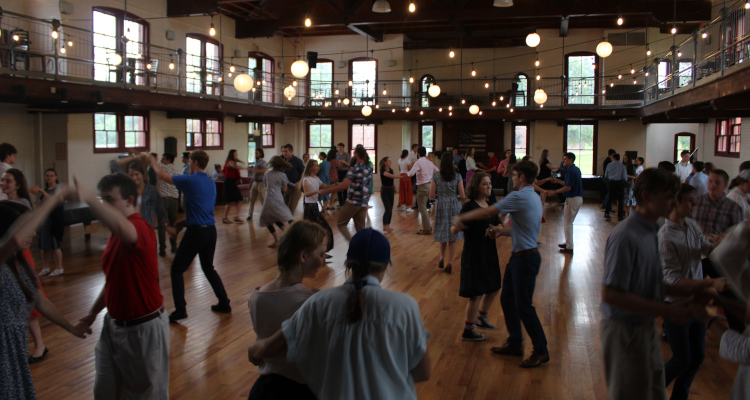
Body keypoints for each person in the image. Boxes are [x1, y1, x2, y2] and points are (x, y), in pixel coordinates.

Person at [247, 228, 431, 400]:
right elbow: (423, 373)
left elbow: (275, 347)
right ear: (384, 266)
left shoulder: (317, 303)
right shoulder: (406, 307)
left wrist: (254, 350)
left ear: (348, 264)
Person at [600, 168, 703, 400]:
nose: (675, 203)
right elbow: (611, 294)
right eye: (669, 197)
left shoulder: (653, 230)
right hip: (625, 332)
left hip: (644, 327)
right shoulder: (626, 235)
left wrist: (699, 289)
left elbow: (649, 283)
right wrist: (666, 310)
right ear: (647, 196)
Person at [68, 173, 169, 399]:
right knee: (104, 392)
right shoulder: (116, 233)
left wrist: (86, 196)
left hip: (144, 328)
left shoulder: (140, 227)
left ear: (129, 201)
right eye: (102, 199)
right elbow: (113, 280)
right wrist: (93, 313)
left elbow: (125, 230)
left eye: (109, 199)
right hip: (112, 325)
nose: (105, 205)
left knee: (146, 395)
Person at [454, 162, 549, 367]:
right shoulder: (534, 196)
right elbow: (522, 230)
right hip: (520, 257)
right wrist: (502, 232)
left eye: (513, 175)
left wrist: (461, 217)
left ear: (522, 177)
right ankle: (515, 342)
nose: (511, 178)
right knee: (507, 299)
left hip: (525, 259)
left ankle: (541, 350)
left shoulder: (519, 196)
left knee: (524, 306)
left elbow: (486, 212)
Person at [0, 197, 90, 400]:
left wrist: (71, 328)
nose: (32, 233)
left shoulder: (21, 264)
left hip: (16, 348)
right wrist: (53, 200)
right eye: (26, 228)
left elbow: (42, 303)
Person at [659, 183, 726, 400]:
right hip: (676, 305)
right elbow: (673, 279)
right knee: (682, 358)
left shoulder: (691, 225)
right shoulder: (666, 235)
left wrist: (723, 244)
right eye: (689, 200)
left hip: (696, 303)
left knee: (697, 357)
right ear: (675, 203)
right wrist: (709, 285)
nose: (694, 203)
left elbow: (707, 250)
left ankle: (680, 396)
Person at [247, 221, 327, 400]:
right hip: (298, 391)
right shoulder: (310, 301)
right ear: (304, 256)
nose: (323, 261)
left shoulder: (255, 297)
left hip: (265, 389)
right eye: (321, 254)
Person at [149, 150, 231, 322]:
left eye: (189, 162)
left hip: (196, 233)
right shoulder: (210, 183)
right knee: (208, 268)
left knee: (177, 269)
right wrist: (180, 225)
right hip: (210, 231)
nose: (187, 164)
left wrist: (152, 161)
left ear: (194, 163)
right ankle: (224, 303)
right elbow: (202, 210)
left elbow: (161, 175)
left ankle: (180, 310)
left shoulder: (189, 180)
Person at [450, 172, 500, 340]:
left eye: (490, 184)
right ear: (476, 186)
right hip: (475, 254)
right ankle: (468, 330)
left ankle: (481, 318)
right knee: (476, 293)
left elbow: (498, 222)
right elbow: (454, 229)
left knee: (493, 286)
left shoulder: (491, 204)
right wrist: (457, 227)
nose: (489, 187)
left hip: (489, 251)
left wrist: (497, 230)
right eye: (485, 184)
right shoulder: (469, 207)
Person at [319, 147, 372, 241]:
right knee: (361, 230)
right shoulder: (367, 169)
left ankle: (353, 245)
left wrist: (325, 191)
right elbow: (351, 184)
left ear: (357, 155)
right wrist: (338, 184)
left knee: (341, 224)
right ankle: (362, 251)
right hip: (363, 204)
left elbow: (343, 186)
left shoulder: (355, 168)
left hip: (353, 203)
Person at [431, 153, 465, 273]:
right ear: (452, 162)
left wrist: (440, 196)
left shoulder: (436, 176)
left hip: (441, 204)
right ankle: (450, 262)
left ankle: (441, 258)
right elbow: (462, 194)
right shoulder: (457, 176)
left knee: (442, 231)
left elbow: (431, 195)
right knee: (452, 236)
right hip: (454, 204)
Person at [29, 169, 64, 276]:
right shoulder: (46, 189)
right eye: (47, 176)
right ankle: (45, 267)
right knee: (44, 245)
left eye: (51, 176)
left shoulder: (58, 188)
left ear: (56, 177)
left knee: (55, 245)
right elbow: (40, 203)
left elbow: (58, 201)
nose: (49, 178)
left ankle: (59, 268)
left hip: (54, 220)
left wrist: (42, 192)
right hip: (45, 220)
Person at [547, 153, 583, 254]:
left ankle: (570, 246)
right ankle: (568, 243)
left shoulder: (571, 170)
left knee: (568, 223)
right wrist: (557, 181)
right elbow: (566, 183)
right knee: (568, 222)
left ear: (571, 160)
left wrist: (554, 192)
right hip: (576, 198)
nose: (563, 161)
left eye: (565, 159)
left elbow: (568, 187)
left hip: (573, 198)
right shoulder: (575, 169)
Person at [126, 161, 169, 238]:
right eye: (131, 175)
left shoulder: (152, 191)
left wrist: (166, 226)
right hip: (130, 229)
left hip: (146, 229)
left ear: (143, 174)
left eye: (136, 174)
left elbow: (161, 211)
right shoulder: (126, 191)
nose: (134, 177)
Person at [259, 156, 294, 248]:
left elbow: (265, 184)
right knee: (276, 219)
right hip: (278, 198)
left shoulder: (267, 173)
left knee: (267, 220)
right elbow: (285, 188)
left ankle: (277, 240)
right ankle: (289, 236)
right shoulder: (282, 175)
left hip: (269, 198)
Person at [301, 159, 334, 255]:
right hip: (309, 208)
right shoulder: (306, 180)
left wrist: (336, 185)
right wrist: (317, 192)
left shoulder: (316, 178)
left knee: (315, 231)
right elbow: (306, 194)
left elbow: (326, 187)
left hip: (314, 206)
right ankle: (315, 252)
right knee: (318, 230)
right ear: (311, 167)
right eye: (316, 166)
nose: (318, 167)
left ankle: (319, 252)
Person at [407, 146, 439, 235]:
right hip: (429, 186)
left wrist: (404, 174)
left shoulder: (419, 162)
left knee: (422, 208)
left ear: (418, 153)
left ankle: (427, 229)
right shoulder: (429, 162)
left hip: (422, 187)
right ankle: (427, 227)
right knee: (424, 207)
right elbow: (438, 171)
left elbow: (411, 173)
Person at [156, 153, 179, 256]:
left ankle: (162, 250)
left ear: (168, 160)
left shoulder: (160, 167)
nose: (161, 159)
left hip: (163, 200)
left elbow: (149, 161)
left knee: (162, 225)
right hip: (174, 200)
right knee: (172, 224)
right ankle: (174, 247)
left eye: (163, 158)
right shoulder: (176, 170)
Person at [379, 156, 404, 233]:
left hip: (390, 190)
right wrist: (401, 177)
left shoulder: (391, 170)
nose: (390, 162)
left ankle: (388, 225)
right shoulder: (382, 170)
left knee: (390, 208)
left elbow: (391, 180)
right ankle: (384, 225)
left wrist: (394, 188)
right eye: (389, 161)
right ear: (385, 162)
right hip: (384, 191)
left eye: (390, 160)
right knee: (388, 208)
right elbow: (390, 176)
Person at [282, 144, 305, 216]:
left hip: (295, 189)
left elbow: (304, 172)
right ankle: (285, 226)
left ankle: (293, 226)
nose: (284, 153)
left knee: (290, 210)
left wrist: (299, 182)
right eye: (283, 151)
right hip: (286, 188)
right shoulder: (283, 161)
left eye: (286, 151)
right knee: (284, 210)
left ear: (291, 151)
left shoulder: (297, 161)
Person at [222, 149, 244, 224]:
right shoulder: (229, 161)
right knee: (230, 201)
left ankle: (236, 217)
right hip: (229, 182)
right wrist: (246, 168)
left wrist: (239, 178)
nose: (236, 155)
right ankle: (225, 218)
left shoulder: (232, 161)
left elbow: (235, 171)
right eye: (235, 153)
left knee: (239, 199)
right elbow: (234, 167)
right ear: (232, 154)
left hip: (232, 182)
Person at [603, 153, 627, 221]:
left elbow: (606, 175)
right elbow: (624, 177)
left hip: (611, 183)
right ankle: (620, 216)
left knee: (610, 198)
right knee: (620, 200)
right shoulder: (622, 166)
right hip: (619, 183)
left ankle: (607, 213)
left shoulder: (609, 165)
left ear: (613, 158)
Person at [247, 149, 269, 221]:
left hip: (261, 183)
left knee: (262, 199)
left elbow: (266, 170)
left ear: (261, 154)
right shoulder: (256, 163)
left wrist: (254, 170)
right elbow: (255, 175)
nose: (255, 154)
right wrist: (251, 183)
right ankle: (250, 215)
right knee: (252, 199)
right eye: (255, 153)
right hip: (255, 182)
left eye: (257, 153)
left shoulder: (263, 162)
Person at [335, 142, 351, 209]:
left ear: (343, 147)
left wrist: (343, 162)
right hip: (338, 171)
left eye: (341, 147)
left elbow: (349, 164)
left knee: (345, 187)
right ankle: (340, 202)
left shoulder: (346, 154)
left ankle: (345, 201)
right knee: (338, 186)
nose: (340, 148)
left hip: (345, 171)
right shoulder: (336, 154)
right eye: (338, 147)